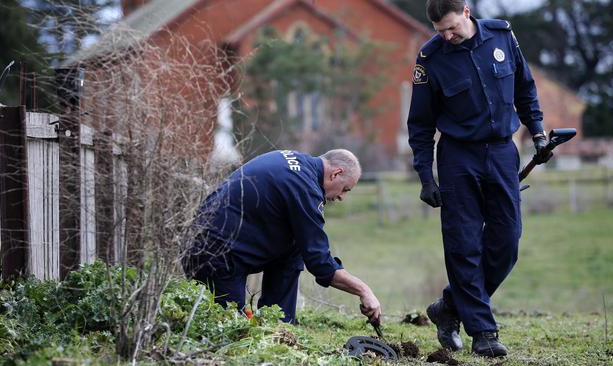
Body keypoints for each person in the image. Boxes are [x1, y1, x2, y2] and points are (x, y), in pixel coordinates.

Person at [407, 0, 550, 357]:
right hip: (458, 158)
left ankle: (449, 308)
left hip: (502, 151)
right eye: (440, 31)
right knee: (464, 245)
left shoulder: (502, 37)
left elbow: (525, 89)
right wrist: (425, 175)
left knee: (507, 241)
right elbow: (420, 124)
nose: (447, 36)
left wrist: (538, 134)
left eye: (452, 27)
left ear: (467, 12)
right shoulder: (430, 58)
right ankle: (483, 332)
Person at [183, 149, 382, 326]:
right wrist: (364, 290)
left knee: (296, 244)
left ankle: (280, 325)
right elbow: (320, 263)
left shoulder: (296, 162)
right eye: (345, 189)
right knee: (230, 333)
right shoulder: (305, 188)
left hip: (212, 243)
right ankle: (270, 331)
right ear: (335, 173)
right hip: (214, 258)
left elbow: (308, 245)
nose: (341, 197)